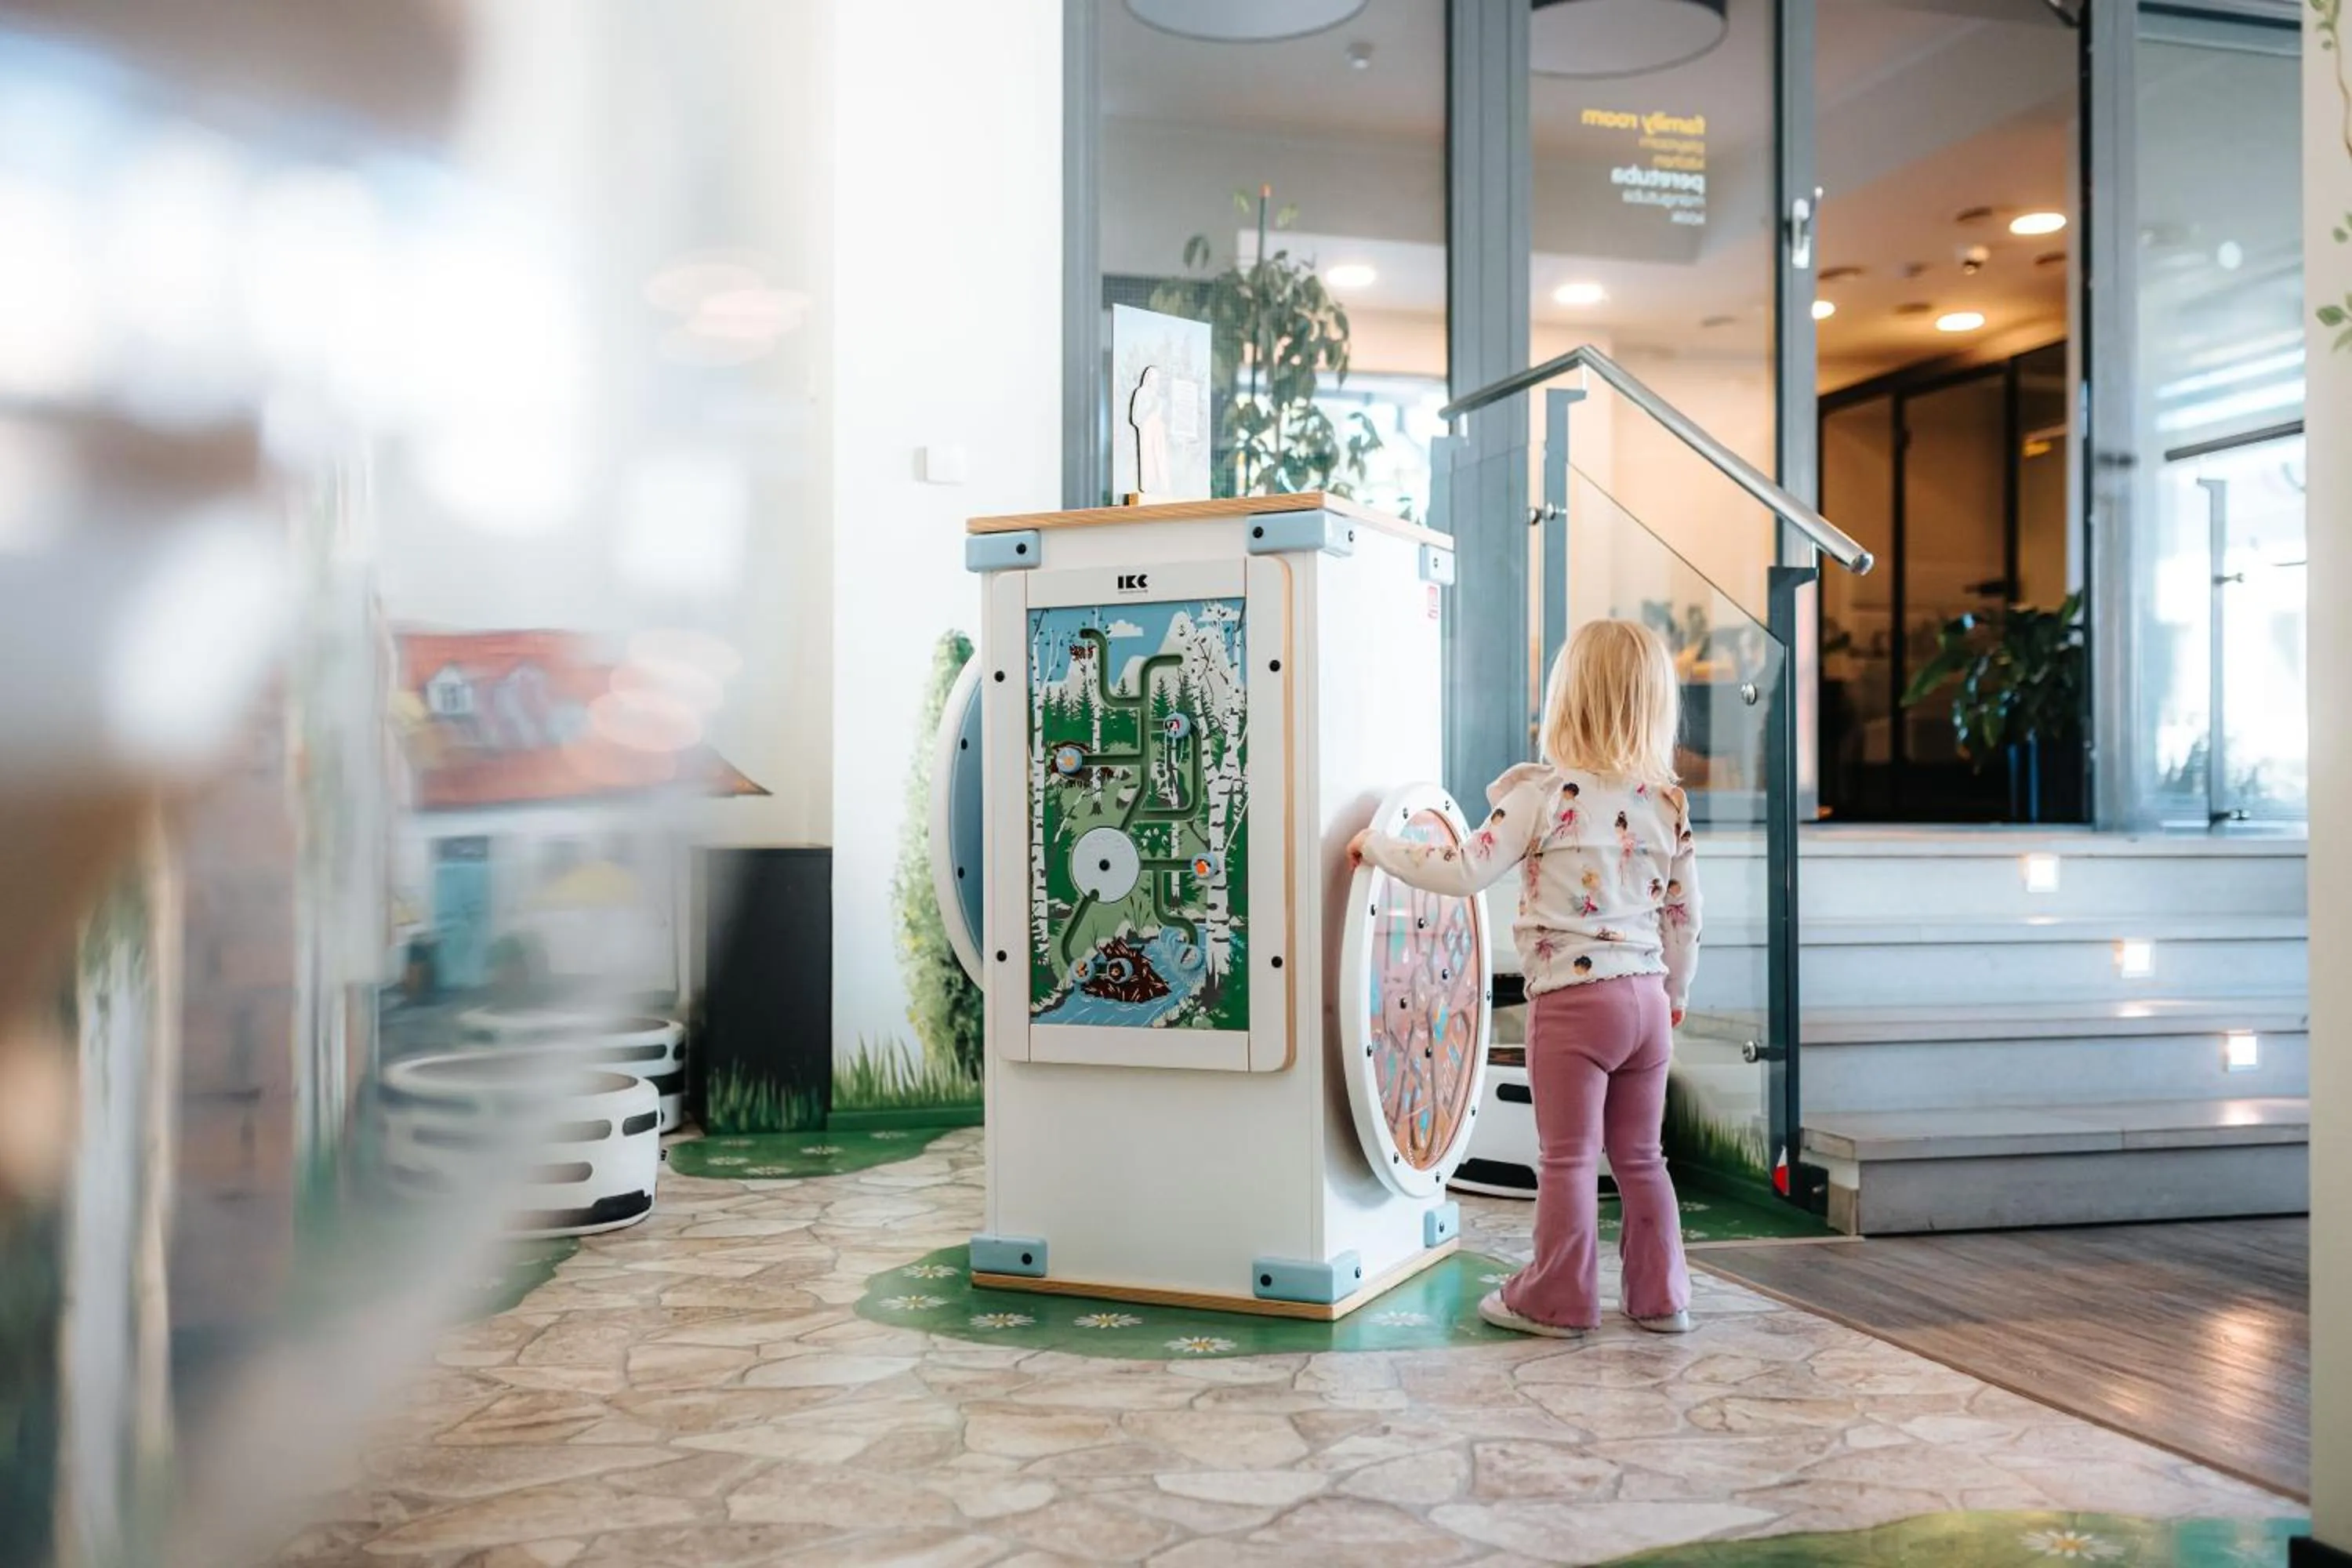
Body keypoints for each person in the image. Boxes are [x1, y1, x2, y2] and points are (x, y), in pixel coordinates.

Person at [1349, 619, 1700, 1338]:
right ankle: (1662, 1299)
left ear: (1566, 699)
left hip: (1575, 1005)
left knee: (1567, 1159)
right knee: (1641, 1157)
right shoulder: (1666, 804)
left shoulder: (1541, 795)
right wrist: (1676, 994)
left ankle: (1557, 1301)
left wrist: (1378, 847)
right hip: (1646, 1000)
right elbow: (1685, 916)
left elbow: (1463, 869)